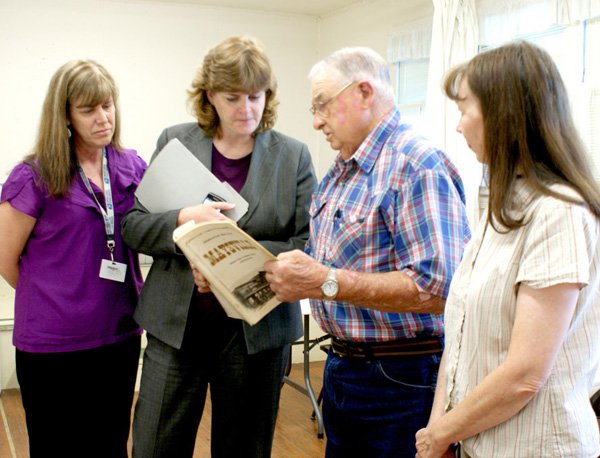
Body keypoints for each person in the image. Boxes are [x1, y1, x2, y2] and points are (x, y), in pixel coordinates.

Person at [263, 47, 471, 457]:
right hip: (346, 369)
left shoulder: (417, 165)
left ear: (363, 91)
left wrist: (326, 281)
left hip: (399, 377)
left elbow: (441, 290)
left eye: (322, 104)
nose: (316, 120)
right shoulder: (344, 168)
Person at [121, 35, 317, 458]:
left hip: (257, 333)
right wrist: (183, 221)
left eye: (255, 96)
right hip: (176, 326)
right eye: (233, 98)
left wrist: (230, 264)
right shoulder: (176, 142)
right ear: (209, 95)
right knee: (154, 446)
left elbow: (308, 243)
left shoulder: (294, 156)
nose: (246, 109)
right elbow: (134, 227)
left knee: (245, 449)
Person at [414, 41, 600, 458]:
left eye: (464, 110)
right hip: (480, 441)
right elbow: (460, 336)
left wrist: (442, 433)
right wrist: (439, 427)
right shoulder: (501, 206)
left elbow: (524, 375)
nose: (459, 126)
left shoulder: (559, 212)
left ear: (504, 115)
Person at [0, 60, 146, 458]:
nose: (103, 118)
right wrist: (56, 298)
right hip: (52, 347)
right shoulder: (34, 176)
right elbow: (6, 258)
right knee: (56, 447)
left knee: (110, 443)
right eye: (88, 109)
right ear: (64, 115)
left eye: (108, 105)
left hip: (118, 334)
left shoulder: (131, 166)